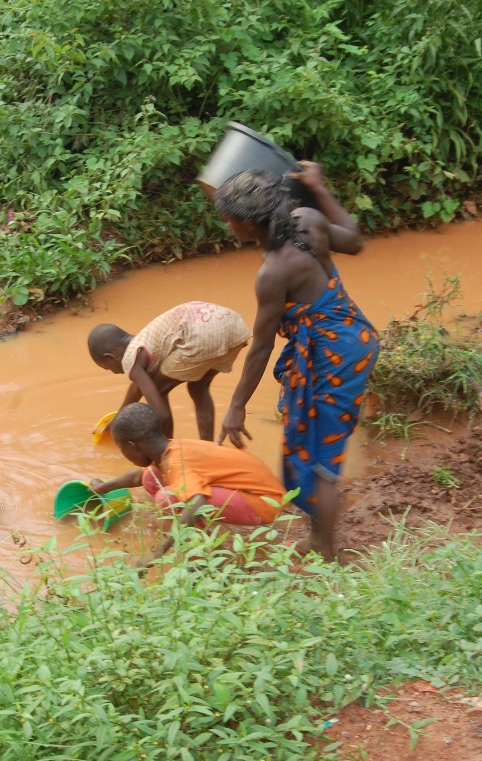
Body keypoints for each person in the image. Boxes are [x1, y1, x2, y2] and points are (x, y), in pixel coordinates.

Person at [213, 162, 379, 562]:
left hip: (332, 359)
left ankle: (328, 552)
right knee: (307, 443)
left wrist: (236, 406)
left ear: (247, 225)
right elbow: (354, 241)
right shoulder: (307, 219)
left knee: (319, 461)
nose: (228, 227)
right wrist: (319, 187)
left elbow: (261, 346)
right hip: (353, 336)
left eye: (229, 220)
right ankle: (317, 538)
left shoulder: (273, 272)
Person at [92, 403, 285, 566]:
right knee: (152, 477)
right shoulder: (169, 448)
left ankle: (206, 558)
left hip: (266, 503)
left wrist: (158, 552)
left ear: (132, 447)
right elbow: (138, 477)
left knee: (167, 499)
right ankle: (214, 546)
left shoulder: (176, 463)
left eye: (121, 449)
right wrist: (103, 487)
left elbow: (197, 502)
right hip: (252, 490)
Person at [88, 301, 251, 440]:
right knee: (198, 388)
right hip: (231, 324)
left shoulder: (130, 360)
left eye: (108, 368)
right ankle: (207, 448)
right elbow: (137, 387)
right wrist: (118, 418)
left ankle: (169, 451)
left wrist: (158, 447)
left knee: (158, 390)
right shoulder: (147, 341)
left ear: (110, 357)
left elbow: (161, 413)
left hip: (202, 334)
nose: (115, 372)